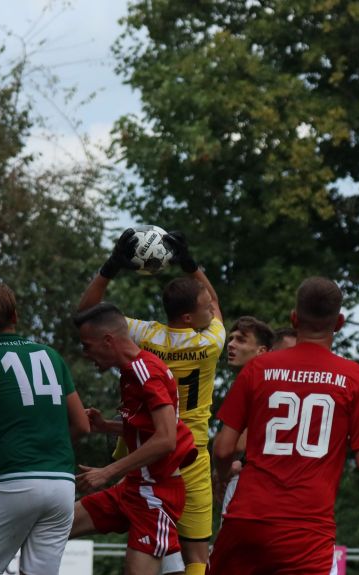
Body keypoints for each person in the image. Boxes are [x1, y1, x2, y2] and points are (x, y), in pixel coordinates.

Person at [207, 277, 359, 575]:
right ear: (339, 322)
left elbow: (224, 448)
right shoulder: (355, 379)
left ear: (294, 318)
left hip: (248, 517)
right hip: (306, 528)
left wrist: (224, 477)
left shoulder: (258, 368)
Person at [77, 229, 225, 575]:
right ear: (190, 317)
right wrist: (190, 264)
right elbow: (215, 304)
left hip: (139, 448)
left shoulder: (145, 336)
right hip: (189, 454)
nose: (209, 308)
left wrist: (111, 267)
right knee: (196, 557)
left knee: (150, 529)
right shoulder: (211, 343)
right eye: (203, 307)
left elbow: (88, 315)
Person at [0, 281, 89, 575]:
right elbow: (82, 425)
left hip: (13, 481)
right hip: (62, 484)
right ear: (15, 316)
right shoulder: (51, 355)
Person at [69, 302, 198, 575]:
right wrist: (105, 426)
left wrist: (108, 471)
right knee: (55, 526)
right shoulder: (131, 372)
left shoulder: (146, 372)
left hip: (155, 495)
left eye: (87, 345)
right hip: (132, 488)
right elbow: (148, 430)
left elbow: (165, 439)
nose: (86, 354)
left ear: (108, 340)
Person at [216, 316, 274, 520]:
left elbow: (232, 446)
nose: (231, 344)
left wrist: (222, 473)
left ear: (262, 351)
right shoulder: (280, 384)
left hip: (250, 484)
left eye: (241, 340)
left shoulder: (252, 382)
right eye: (231, 338)